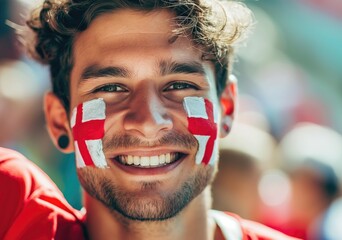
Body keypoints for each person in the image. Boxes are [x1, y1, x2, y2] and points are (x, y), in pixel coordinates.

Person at [0, 0, 298, 239]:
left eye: (179, 85)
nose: (148, 122)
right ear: (59, 122)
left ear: (226, 108)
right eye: (110, 88)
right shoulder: (15, 213)